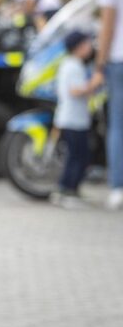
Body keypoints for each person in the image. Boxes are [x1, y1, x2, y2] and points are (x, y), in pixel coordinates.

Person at [51, 31, 101, 208]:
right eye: (87, 44)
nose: (90, 48)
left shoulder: (74, 64)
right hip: (71, 120)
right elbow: (75, 91)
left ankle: (72, 190)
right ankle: (65, 191)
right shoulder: (72, 65)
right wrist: (94, 83)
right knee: (76, 157)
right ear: (78, 47)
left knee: (82, 156)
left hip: (77, 120)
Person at [95, 0, 123, 209]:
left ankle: (117, 187)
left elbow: (108, 25)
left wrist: (99, 62)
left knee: (118, 124)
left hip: (118, 58)